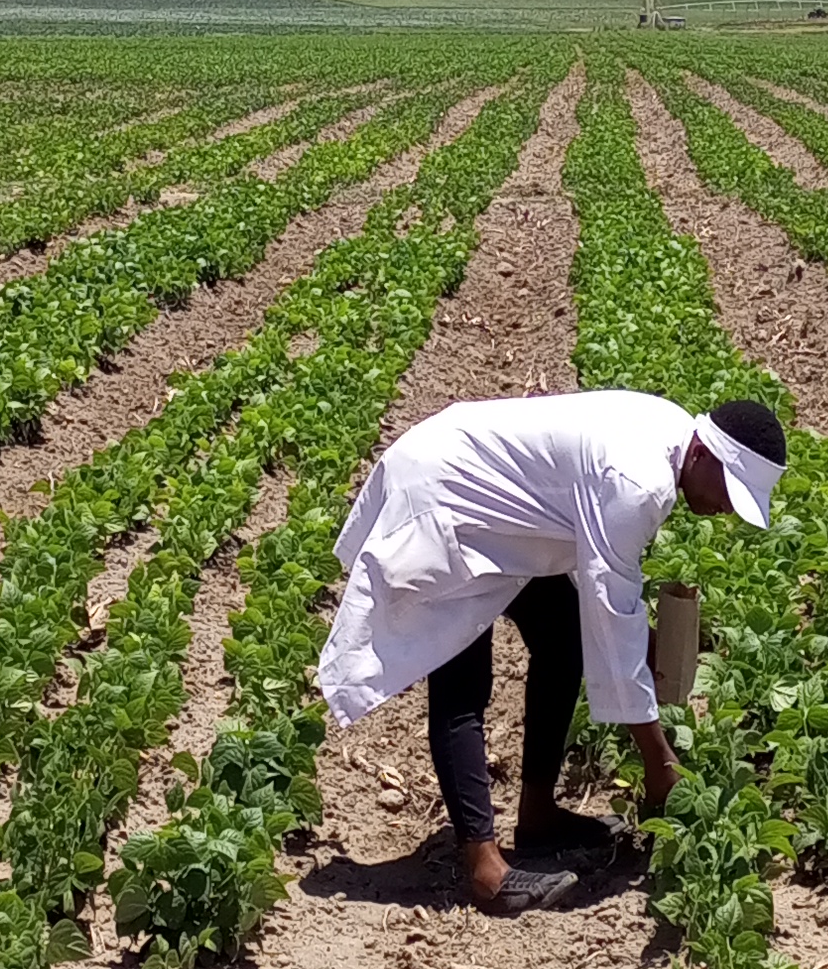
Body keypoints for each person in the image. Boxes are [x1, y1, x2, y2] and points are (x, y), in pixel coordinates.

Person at [316, 388, 790, 913]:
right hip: (449, 496)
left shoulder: (672, 435)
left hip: (500, 504)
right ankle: (484, 867)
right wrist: (658, 761)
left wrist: (645, 639)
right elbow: (611, 614)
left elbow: (600, 577)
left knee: (562, 638)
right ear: (703, 455)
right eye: (728, 490)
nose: (725, 508)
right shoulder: (641, 482)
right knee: (461, 674)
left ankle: (538, 816)